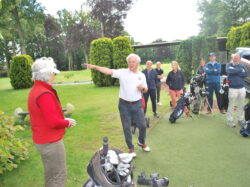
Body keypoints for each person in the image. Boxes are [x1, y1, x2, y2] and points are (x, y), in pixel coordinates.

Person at [86, 53, 150, 158]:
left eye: (133, 62)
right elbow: (108, 71)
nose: (131, 64)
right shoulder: (122, 72)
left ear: (138, 63)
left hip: (137, 104)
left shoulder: (141, 75)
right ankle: (131, 148)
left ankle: (141, 142)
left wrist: (142, 89)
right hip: (124, 105)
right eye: (129, 62)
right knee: (126, 127)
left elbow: (146, 89)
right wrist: (95, 67)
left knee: (142, 125)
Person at [28, 57, 76, 187]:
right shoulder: (44, 94)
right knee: (59, 176)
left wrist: (63, 119)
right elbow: (53, 122)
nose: (53, 75)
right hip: (50, 143)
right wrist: (66, 122)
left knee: (51, 174)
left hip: (42, 140)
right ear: (47, 75)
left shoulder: (36, 90)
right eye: (52, 73)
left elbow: (45, 117)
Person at [226, 53, 248, 127]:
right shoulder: (228, 65)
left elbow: (245, 74)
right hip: (232, 88)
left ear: (240, 59)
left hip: (242, 88)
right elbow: (229, 72)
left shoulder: (243, 65)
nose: (235, 59)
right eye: (234, 58)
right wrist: (239, 71)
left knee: (241, 105)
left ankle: (240, 120)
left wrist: (235, 71)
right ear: (233, 58)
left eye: (237, 58)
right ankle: (230, 120)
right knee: (231, 105)